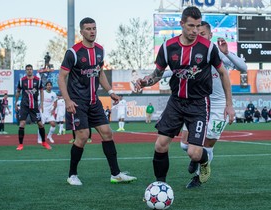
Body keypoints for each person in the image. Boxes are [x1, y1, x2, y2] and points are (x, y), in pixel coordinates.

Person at [134, 6, 235, 184]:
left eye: (197, 26)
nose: (195, 31)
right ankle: (160, 184)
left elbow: (223, 74)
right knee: (160, 144)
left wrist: (229, 104)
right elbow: (157, 74)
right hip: (176, 102)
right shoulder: (167, 48)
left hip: (198, 104)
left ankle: (204, 161)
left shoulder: (208, 48)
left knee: (194, 152)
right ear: (181, 24)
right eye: (190, 26)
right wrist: (145, 82)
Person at [58, 17, 137, 186]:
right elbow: (61, 77)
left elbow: (99, 73)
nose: (92, 31)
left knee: (108, 133)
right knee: (83, 136)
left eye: (94, 28)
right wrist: (67, 100)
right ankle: (72, 175)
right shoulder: (73, 52)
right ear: (81, 32)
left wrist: (111, 92)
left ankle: (115, 174)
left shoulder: (100, 50)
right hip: (77, 101)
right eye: (88, 29)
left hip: (94, 101)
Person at [180, 21, 247, 188]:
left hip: (218, 107)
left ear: (210, 35)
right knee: (184, 144)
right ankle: (197, 159)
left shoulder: (220, 54)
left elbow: (244, 68)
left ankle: (198, 177)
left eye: (202, 33)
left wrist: (227, 53)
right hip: (198, 104)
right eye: (196, 32)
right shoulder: (193, 54)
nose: (198, 35)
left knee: (207, 145)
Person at [15, 64, 52, 151]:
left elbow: (42, 91)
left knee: (40, 124)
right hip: (24, 105)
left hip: (34, 106)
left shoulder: (37, 80)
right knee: (22, 123)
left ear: (32, 70)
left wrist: (42, 103)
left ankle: (44, 142)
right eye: (27, 69)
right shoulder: (22, 80)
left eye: (30, 69)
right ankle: (20, 144)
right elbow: (18, 91)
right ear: (25, 71)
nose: (29, 70)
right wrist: (16, 103)